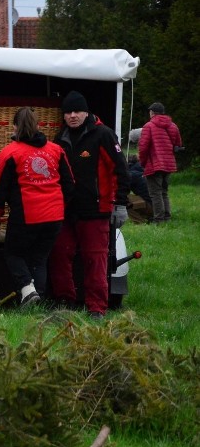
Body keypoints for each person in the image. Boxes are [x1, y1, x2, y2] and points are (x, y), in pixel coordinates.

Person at [49, 91, 130, 319]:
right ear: (63, 116)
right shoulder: (59, 138)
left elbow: (121, 170)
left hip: (96, 211)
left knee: (95, 259)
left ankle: (96, 307)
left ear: (86, 112)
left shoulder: (103, 135)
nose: (73, 115)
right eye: (68, 112)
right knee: (60, 255)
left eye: (77, 111)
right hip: (65, 210)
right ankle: (65, 302)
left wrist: (120, 204)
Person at [0, 107, 74, 306]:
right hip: (54, 217)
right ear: (38, 125)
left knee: (13, 254)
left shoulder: (10, 153)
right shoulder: (56, 150)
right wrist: (59, 206)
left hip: (26, 216)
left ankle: (27, 289)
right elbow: (70, 185)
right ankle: (37, 300)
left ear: (15, 127)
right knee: (39, 259)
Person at [138, 102, 181, 223]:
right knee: (164, 192)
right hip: (169, 164)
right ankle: (167, 217)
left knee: (155, 193)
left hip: (154, 163)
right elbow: (178, 144)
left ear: (151, 112)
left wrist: (142, 162)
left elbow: (143, 147)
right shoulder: (173, 126)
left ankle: (158, 219)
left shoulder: (149, 126)